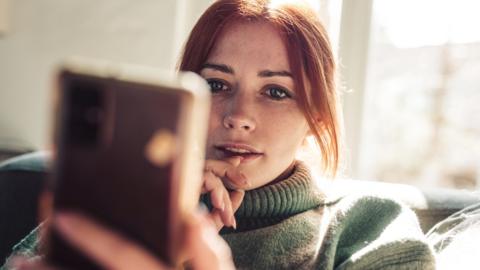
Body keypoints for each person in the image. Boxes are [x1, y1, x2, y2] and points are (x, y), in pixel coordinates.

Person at [2, 0, 436, 269]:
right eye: (215, 84)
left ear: (317, 118)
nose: (239, 116)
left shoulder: (372, 227)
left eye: (275, 91)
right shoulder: (120, 205)